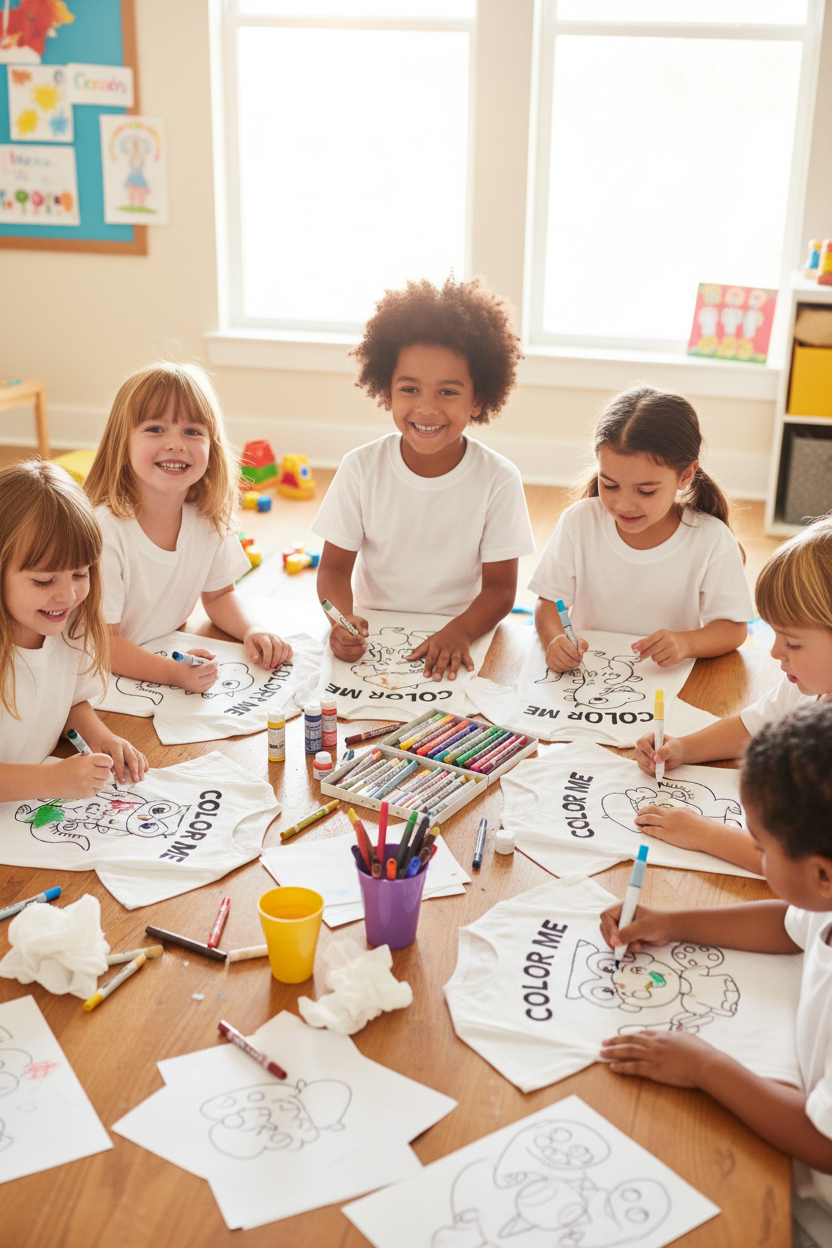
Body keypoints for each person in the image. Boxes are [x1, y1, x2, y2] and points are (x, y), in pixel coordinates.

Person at [599, 700, 832, 1246]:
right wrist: (675, 922)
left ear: (821, 873)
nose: (756, 855)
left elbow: (824, 1140)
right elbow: (790, 924)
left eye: (762, 848)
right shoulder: (826, 898)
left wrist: (705, 1066)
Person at [312, 276, 535, 682]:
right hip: (375, 634)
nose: (426, 408)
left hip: (463, 632)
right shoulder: (360, 467)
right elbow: (332, 570)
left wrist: (459, 632)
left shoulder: (499, 479)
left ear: (479, 398)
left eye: (448, 392)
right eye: (410, 389)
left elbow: (501, 590)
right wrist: (341, 621)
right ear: (387, 390)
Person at [633, 514, 832, 873]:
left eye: (794, 643)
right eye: (775, 635)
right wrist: (682, 748)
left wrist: (703, 833)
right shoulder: (809, 686)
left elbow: (805, 870)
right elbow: (753, 726)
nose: (775, 652)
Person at [85, 362, 291, 691]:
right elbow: (103, 644)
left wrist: (252, 629)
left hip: (156, 655)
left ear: (213, 447)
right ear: (122, 445)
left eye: (192, 432)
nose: (176, 444)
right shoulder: (105, 532)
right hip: (97, 677)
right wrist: (172, 673)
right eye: (155, 429)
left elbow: (220, 594)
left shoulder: (208, 519)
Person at [530, 386, 752, 673]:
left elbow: (733, 629)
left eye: (646, 491)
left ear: (686, 475)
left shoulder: (710, 539)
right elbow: (548, 602)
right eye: (609, 485)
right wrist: (555, 639)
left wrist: (686, 643)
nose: (624, 504)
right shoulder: (579, 522)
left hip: (666, 682)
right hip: (587, 676)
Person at [0, 460, 146, 801]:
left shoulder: (71, 626)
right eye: (44, 580)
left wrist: (100, 736)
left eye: (80, 574)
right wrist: (48, 780)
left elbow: (69, 699)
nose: (68, 595)